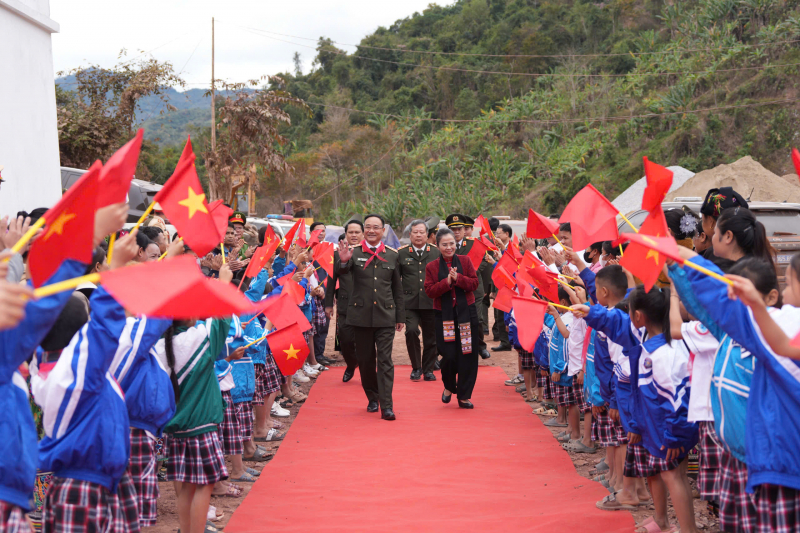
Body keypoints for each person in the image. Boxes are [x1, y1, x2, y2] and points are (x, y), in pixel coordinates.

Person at [32, 232, 144, 533]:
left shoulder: (51, 367)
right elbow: (104, 327)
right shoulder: (74, 372)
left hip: (98, 479)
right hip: (84, 486)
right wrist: (115, 270)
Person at [153, 264, 236, 533]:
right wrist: (224, 283)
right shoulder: (199, 338)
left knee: (185, 486)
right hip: (201, 424)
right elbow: (222, 319)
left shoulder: (159, 344)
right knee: (204, 484)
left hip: (174, 426)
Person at [336, 214, 404, 421]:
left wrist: (399, 315)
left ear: (383, 230)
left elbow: (397, 289)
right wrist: (343, 261)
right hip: (361, 316)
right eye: (368, 227)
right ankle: (372, 397)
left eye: (376, 227)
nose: (372, 230)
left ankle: (387, 405)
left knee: (385, 361)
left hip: (385, 316)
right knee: (366, 361)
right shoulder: (353, 253)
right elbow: (341, 272)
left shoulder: (392, 255)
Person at [424, 228, 480, 409]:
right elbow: (430, 291)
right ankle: (449, 385)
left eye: (452, 244)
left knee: (467, 353)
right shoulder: (432, 266)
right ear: (437, 245)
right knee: (448, 355)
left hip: (466, 314)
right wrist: (447, 282)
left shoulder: (465, 260)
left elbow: (474, 283)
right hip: (444, 315)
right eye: (445, 244)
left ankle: (464, 395)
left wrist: (459, 278)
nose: (449, 248)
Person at [398, 220, 440, 382]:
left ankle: (428, 369)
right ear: (410, 235)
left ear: (427, 235)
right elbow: (396, 279)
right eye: (415, 232)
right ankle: (416, 367)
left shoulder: (436, 252)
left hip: (431, 302)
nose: (418, 235)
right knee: (412, 331)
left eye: (421, 232)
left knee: (432, 337)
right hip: (410, 303)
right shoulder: (401, 253)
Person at [325, 221, 365, 382]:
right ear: (346, 234)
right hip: (345, 303)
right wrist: (328, 304)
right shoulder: (336, 254)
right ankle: (351, 364)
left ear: (362, 234)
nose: (354, 235)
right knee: (345, 340)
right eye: (351, 232)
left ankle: (365, 370)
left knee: (364, 341)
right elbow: (331, 279)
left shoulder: (369, 253)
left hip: (365, 305)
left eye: (357, 232)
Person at [447, 214, 490, 360]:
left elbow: (486, 257)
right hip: (453, 289)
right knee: (454, 320)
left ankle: (480, 347)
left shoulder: (473, 243)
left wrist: (475, 269)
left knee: (476, 319)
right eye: (453, 229)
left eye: (459, 229)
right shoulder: (446, 245)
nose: (457, 232)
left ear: (464, 230)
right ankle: (454, 350)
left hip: (473, 289)